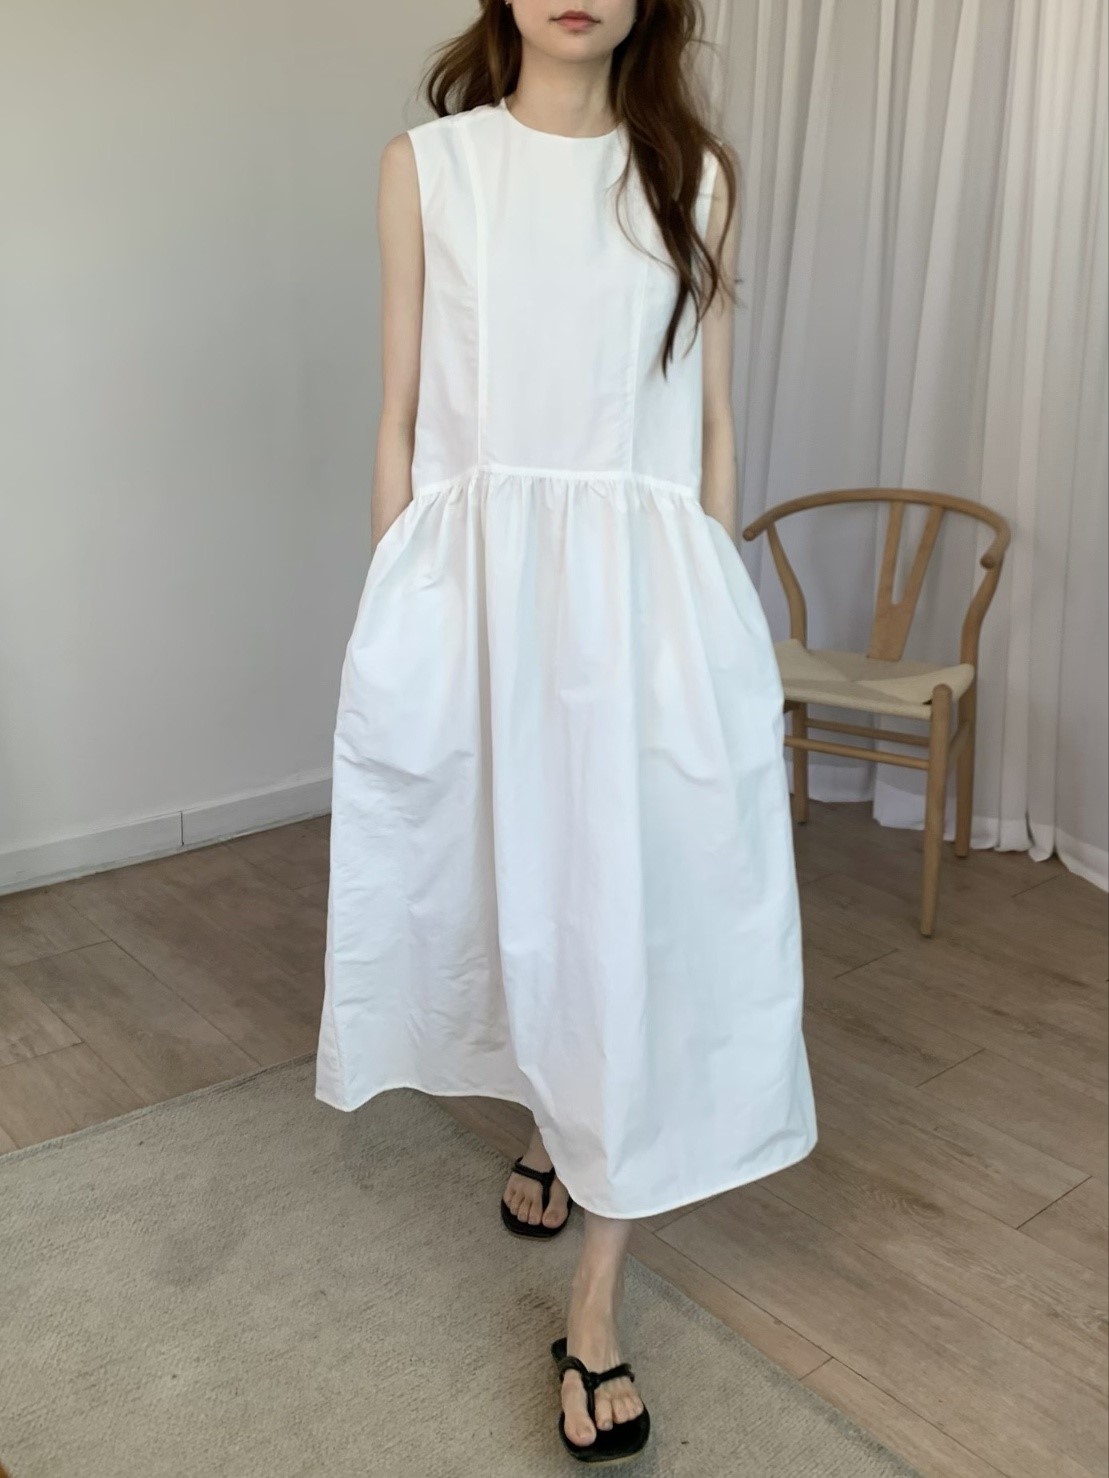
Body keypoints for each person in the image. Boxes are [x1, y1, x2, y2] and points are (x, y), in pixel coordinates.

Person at [315, 0, 817, 1463]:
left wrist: (713, 625)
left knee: (633, 933)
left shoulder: (692, 178)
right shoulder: (430, 168)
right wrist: (395, 623)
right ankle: (552, 1114)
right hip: (481, 609)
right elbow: (400, 416)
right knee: (509, 898)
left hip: (651, 617)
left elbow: (710, 424)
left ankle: (593, 1305)